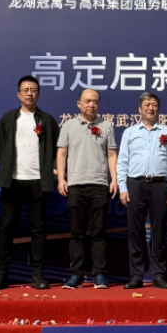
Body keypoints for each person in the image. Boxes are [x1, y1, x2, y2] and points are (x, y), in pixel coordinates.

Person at [0, 76, 59, 290]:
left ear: (38, 93)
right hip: (12, 181)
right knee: (7, 227)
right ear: (18, 94)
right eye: (26, 89)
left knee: (38, 229)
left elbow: (56, 148)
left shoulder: (47, 120)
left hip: (37, 181)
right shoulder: (8, 119)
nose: (30, 93)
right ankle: (1, 276)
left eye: (33, 90)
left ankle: (38, 275)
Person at [117, 92, 167, 289]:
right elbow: (122, 162)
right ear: (140, 109)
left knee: (159, 231)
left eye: (154, 105)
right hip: (136, 184)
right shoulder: (130, 132)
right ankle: (136, 275)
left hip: (160, 185)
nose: (150, 108)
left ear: (158, 109)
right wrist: (123, 187)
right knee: (135, 231)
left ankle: (159, 275)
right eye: (147, 105)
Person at [57, 88, 118, 289]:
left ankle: (99, 274)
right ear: (79, 104)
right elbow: (62, 153)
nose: (91, 105)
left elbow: (111, 154)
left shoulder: (106, 126)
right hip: (75, 185)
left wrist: (114, 178)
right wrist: (61, 179)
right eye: (87, 101)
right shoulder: (68, 126)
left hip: (99, 185)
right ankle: (76, 275)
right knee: (76, 233)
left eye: (95, 101)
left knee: (98, 233)